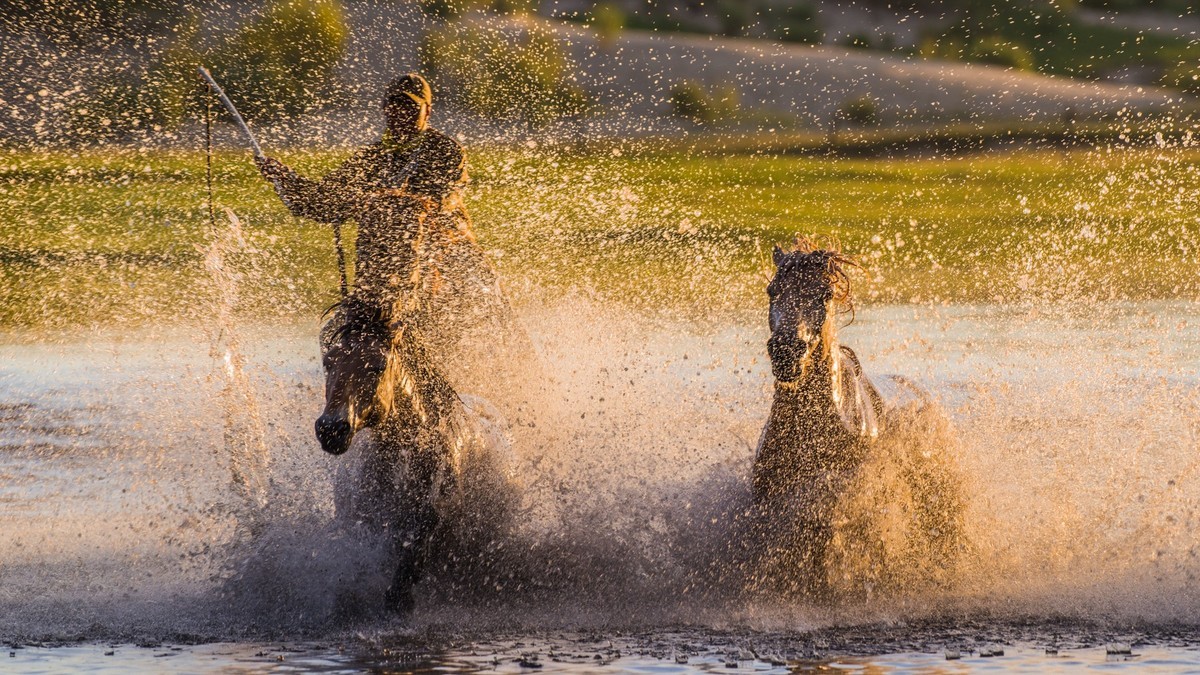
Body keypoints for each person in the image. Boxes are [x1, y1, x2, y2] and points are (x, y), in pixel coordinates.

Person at [256, 73, 517, 375]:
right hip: (385, 270)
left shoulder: (445, 150)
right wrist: (285, 180)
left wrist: (378, 199)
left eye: (410, 107)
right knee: (336, 332)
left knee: (483, 311)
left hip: (445, 258)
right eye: (394, 106)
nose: (401, 113)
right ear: (384, 109)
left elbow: (439, 200)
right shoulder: (371, 158)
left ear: (427, 111)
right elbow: (323, 203)